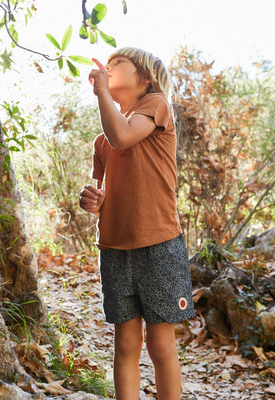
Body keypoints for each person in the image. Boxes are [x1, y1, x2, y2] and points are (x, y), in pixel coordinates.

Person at [79, 47, 194, 400]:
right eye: (108, 64)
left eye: (118, 64)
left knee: (161, 345)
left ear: (145, 78)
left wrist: (101, 92)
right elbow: (105, 191)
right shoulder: (102, 141)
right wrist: (94, 201)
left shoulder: (156, 104)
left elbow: (124, 136)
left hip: (159, 243)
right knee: (125, 346)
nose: (109, 67)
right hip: (115, 247)